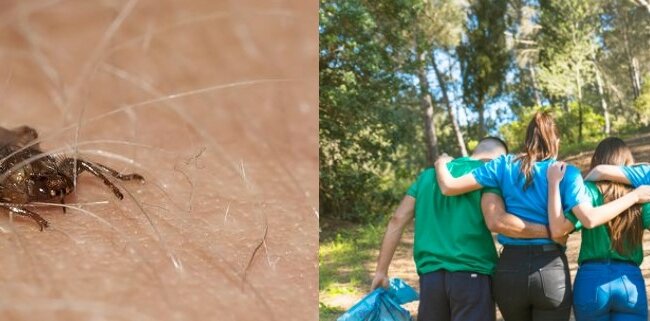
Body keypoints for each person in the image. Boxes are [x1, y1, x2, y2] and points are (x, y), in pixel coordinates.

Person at [433, 111, 650, 321]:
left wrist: (440, 163)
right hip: (551, 268)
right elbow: (570, 224)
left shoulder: (502, 166)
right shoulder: (568, 173)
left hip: (510, 268)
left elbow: (449, 187)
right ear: (555, 141)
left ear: (527, 139)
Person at [370, 137, 553, 321]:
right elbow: (500, 220)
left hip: (430, 279)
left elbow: (397, 220)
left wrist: (381, 271)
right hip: (473, 276)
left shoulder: (427, 176)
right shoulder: (490, 176)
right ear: (497, 158)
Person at [547, 137, 649, 320]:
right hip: (629, 281)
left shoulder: (587, 192)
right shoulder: (641, 196)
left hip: (591, 282)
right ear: (627, 164)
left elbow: (561, 228)